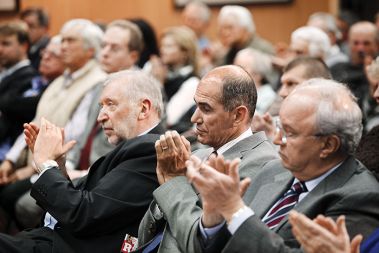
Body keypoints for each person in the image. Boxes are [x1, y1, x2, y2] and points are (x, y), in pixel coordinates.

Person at [186, 78, 379, 253]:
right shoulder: (273, 169)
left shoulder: (361, 197)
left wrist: (234, 210)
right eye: (279, 127)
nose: (277, 140)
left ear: (328, 145)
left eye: (289, 133)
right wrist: (214, 221)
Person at [0, 69, 165, 253]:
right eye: (101, 105)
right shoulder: (137, 147)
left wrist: (46, 164)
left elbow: (84, 215)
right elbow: (87, 205)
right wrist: (57, 166)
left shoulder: (151, 151)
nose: (100, 116)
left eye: (111, 105)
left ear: (143, 109)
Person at [12, 19, 145, 231]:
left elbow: (125, 155)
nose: (105, 52)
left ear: (133, 56)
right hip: (78, 170)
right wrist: (64, 165)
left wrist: (73, 170)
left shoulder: (142, 94)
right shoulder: (101, 87)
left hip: (102, 179)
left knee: (26, 205)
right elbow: (79, 137)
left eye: (114, 47)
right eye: (104, 46)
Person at [136, 65, 278, 252]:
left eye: (206, 108)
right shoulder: (197, 154)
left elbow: (200, 242)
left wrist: (174, 184)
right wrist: (167, 188)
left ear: (238, 115)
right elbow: (146, 232)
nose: (194, 118)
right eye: (196, 105)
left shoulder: (265, 165)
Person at [0, 19, 107, 232]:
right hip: (36, 159)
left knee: (17, 200)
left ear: (89, 49)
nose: (62, 46)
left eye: (70, 41)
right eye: (63, 40)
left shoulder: (97, 82)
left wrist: (32, 167)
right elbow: (35, 122)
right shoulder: (59, 80)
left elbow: (72, 136)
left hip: (59, 164)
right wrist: (11, 161)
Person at [253, 56, 332, 139]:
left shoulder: (330, 128)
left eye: (290, 84)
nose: (282, 93)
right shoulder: (272, 124)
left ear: (316, 86)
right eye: (282, 85)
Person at [145, 26, 200, 133]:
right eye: (162, 46)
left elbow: (168, 119)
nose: (162, 50)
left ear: (185, 52)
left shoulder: (192, 83)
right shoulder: (158, 72)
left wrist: (158, 84)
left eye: (168, 46)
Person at [0, 22, 38, 161]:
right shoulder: (5, 74)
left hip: (10, 151)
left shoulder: (29, 77)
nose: (0, 49)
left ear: (24, 46)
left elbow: (9, 107)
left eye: (6, 44)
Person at [330, 21, 379, 111]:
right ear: (348, 43)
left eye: (366, 43)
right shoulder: (336, 69)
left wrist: (373, 84)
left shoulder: (377, 73)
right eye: (356, 43)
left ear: (377, 45)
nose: (360, 49)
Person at [234, 48, 276, 114]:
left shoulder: (268, 97)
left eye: (241, 68)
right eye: (234, 67)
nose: (234, 72)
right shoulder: (233, 91)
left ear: (258, 74)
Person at [20, 7, 50, 71]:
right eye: (23, 26)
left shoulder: (49, 50)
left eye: (31, 26)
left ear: (44, 28)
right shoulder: (26, 47)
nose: (26, 30)